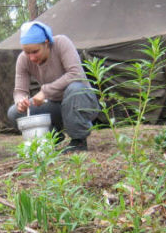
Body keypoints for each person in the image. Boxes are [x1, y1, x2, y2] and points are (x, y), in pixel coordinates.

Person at [7, 21, 99, 152]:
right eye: (27, 52)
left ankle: (78, 141)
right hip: (56, 105)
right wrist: (20, 101)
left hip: (82, 101)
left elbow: (75, 74)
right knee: (14, 112)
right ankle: (53, 137)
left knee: (74, 89)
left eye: (35, 51)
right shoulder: (23, 59)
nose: (31, 58)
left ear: (46, 43)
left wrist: (45, 91)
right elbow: (19, 91)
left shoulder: (61, 43)